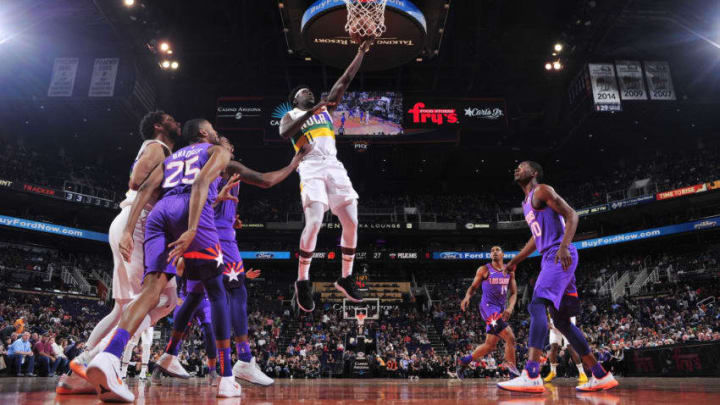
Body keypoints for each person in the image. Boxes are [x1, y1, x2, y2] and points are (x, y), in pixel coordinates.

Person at [87, 119, 310, 402]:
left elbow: (143, 190)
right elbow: (250, 180)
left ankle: (108, 356)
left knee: (151, 290)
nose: (219, 134)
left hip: (159, 214)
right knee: (217, 292)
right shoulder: (217, 152)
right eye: (214, 130)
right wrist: (294, 163)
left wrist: (129, 231)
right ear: (205, 134)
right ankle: (228, 377)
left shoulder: (174, 155)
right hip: (190, 212)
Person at [65, 111, 181, 394]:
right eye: (170, 118)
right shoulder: (157, 147)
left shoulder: (159, 150)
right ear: (158, 126)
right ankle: (95, 359)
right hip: (138, 222)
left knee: (134, 305)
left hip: (135, 222)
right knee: (162, 298)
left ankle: (75, 376)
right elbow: (136, 180)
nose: (176, 121)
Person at [497, 161, 618, 393]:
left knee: (536, 305)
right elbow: (536, 238)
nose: (516, 169)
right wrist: (516, 260)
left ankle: (532, 373)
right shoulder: (526, 203)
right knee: (561, 322)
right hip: (552, 255)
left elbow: (572, 215)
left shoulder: (542, 190)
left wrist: (564, 245)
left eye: (521, 167)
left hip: (559, 254)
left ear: (533, 173)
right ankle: (600, 374)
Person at [279, 39, 373, 312]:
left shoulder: (325, 111)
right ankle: (303, 281)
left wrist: (361, 52)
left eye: (310, 91)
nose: (309, 93)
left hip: (333, 165)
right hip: (310, 166)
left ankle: (345, 276)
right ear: (296, 100)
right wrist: (311, 110)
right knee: (316, 221)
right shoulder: (291, 115)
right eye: (304, 92)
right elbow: (285, 134)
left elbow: (345, 80)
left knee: (353, 222)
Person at [456, 246, 519, 379]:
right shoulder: (484, 269)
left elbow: (513, 293)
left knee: (490, 346)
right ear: (490, 255)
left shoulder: (509, 270)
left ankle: (464, 361)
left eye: (497, 250)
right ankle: (513, 376)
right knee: (510, 337)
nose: (494, 252)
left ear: (503, 254)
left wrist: (510, 308)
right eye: (492, 250)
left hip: (500, 310)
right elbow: (473, 287)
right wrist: (467, 297)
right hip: (488, 308)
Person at [543, 310, 588, 384]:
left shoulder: (565, 300)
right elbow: (547, 311)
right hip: (554, 320)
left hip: (566, 322)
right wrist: (548, 322)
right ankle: (553, 372)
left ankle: (582, 373)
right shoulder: (549, 300)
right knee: (553, 347)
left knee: (570, 347)